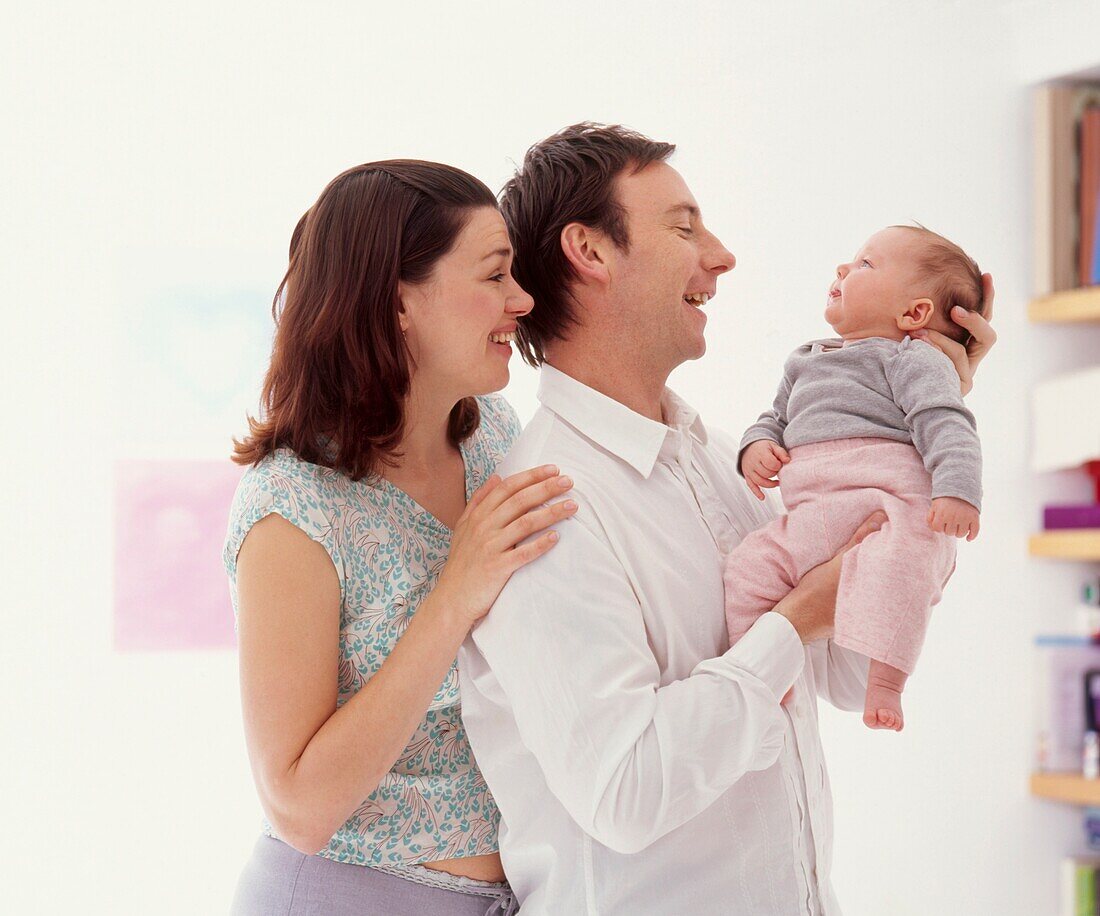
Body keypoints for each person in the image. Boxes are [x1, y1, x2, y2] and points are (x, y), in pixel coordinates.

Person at [457, 124, 997, 915]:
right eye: (684, 227)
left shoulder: (720, 460)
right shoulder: (545, 505)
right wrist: (791, 618)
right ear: (591, 252)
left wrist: (917, 433)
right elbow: (625, 791)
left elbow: (845, 674)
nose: (721, 255)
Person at [223, 159, 577, 915]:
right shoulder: (293, 508)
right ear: (397, 304)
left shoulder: (494, 440)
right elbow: (300, 808)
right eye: (494, 275)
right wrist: (455, 592)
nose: (521, 299)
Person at [727, 225, 985, 733]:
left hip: (890, 503)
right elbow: (773, 418)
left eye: (866, 264)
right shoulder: (804, 360)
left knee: (910, 560)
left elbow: (946, 422)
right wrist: (755, 447)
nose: (844, 268)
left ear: (913, 314)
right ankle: (763, 674)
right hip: (812, 514)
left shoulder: (912, 359)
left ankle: (888, 681)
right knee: (747, 570)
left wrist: (958, 489)